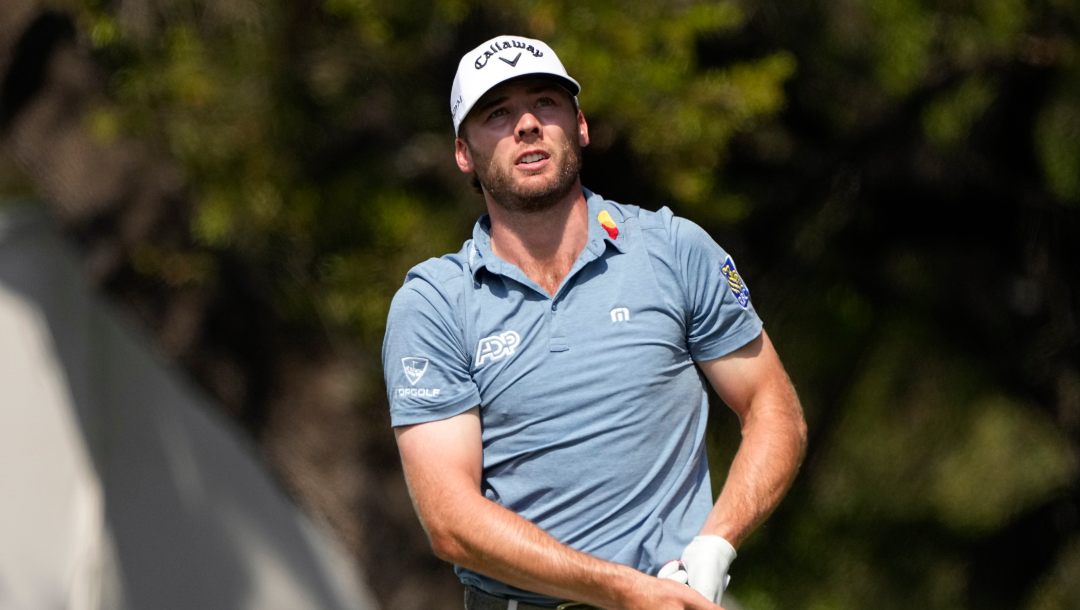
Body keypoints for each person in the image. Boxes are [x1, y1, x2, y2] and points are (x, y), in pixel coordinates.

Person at [382, 34, 807, 610]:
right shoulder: (435, 302)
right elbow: (450, 520)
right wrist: (622, 591)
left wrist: (716, 543)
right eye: (497, 113)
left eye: (545, 103)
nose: (527, 125)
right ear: (463, 153)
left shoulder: (672, 249)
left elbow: (772, 407)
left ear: (580, 125)